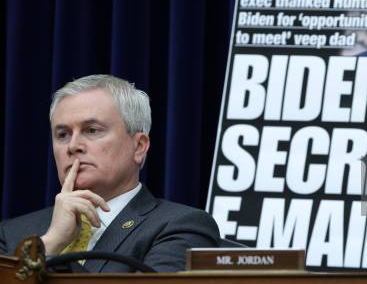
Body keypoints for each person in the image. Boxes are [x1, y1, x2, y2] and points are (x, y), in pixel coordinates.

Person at [0, 75, 220, 272]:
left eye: (92, 130)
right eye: (63, 134)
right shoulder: (12, 233)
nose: (73, 145)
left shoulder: (181, 226)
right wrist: (51, 244)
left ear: (139, 147)